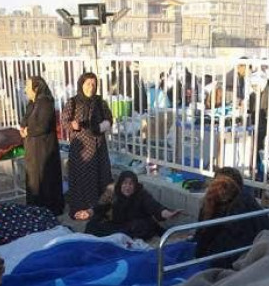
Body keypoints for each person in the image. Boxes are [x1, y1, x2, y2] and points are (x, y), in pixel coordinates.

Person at [194, 168, 269, 268]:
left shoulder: (216, 203)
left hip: (230, 260)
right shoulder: (248, 201)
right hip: (258, 255)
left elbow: (203, 241)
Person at [61, 72, 114, 221]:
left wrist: (100, 127)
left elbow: (109, 119)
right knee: (82, 181)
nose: (91, 87)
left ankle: (99, 210)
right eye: (88, 84)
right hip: (81, 150)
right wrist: (73, 125)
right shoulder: (73, 102)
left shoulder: (100, 102)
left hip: (99, 148)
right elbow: (64, 121)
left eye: (93, 84)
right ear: (81, 85)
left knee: (102, 178)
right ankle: (81, 210)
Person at [85, 170, 180, 240]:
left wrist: (167, 213)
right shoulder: (114, 192)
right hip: (118, 225)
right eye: (125, 183)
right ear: (120, 184)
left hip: (135, 225)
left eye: (131, 184)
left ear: (135, 185)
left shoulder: (141, 194)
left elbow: (154, 207)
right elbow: (102, 206)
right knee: (92, 225)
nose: (127, 187)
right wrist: (90, 212)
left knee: (137, 228)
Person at [20, 75, 65, 216]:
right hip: (33, 148)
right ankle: (35, 208)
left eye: (28, 86)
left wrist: (28, 131)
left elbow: (43, 126)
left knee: (45, 178)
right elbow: (25, 120)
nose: (25, 90)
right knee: (34, 179)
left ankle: (48, 209)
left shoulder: (45, 102)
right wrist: (23, 128)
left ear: (36, 88)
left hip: (44, 148)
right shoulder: (32, 103)